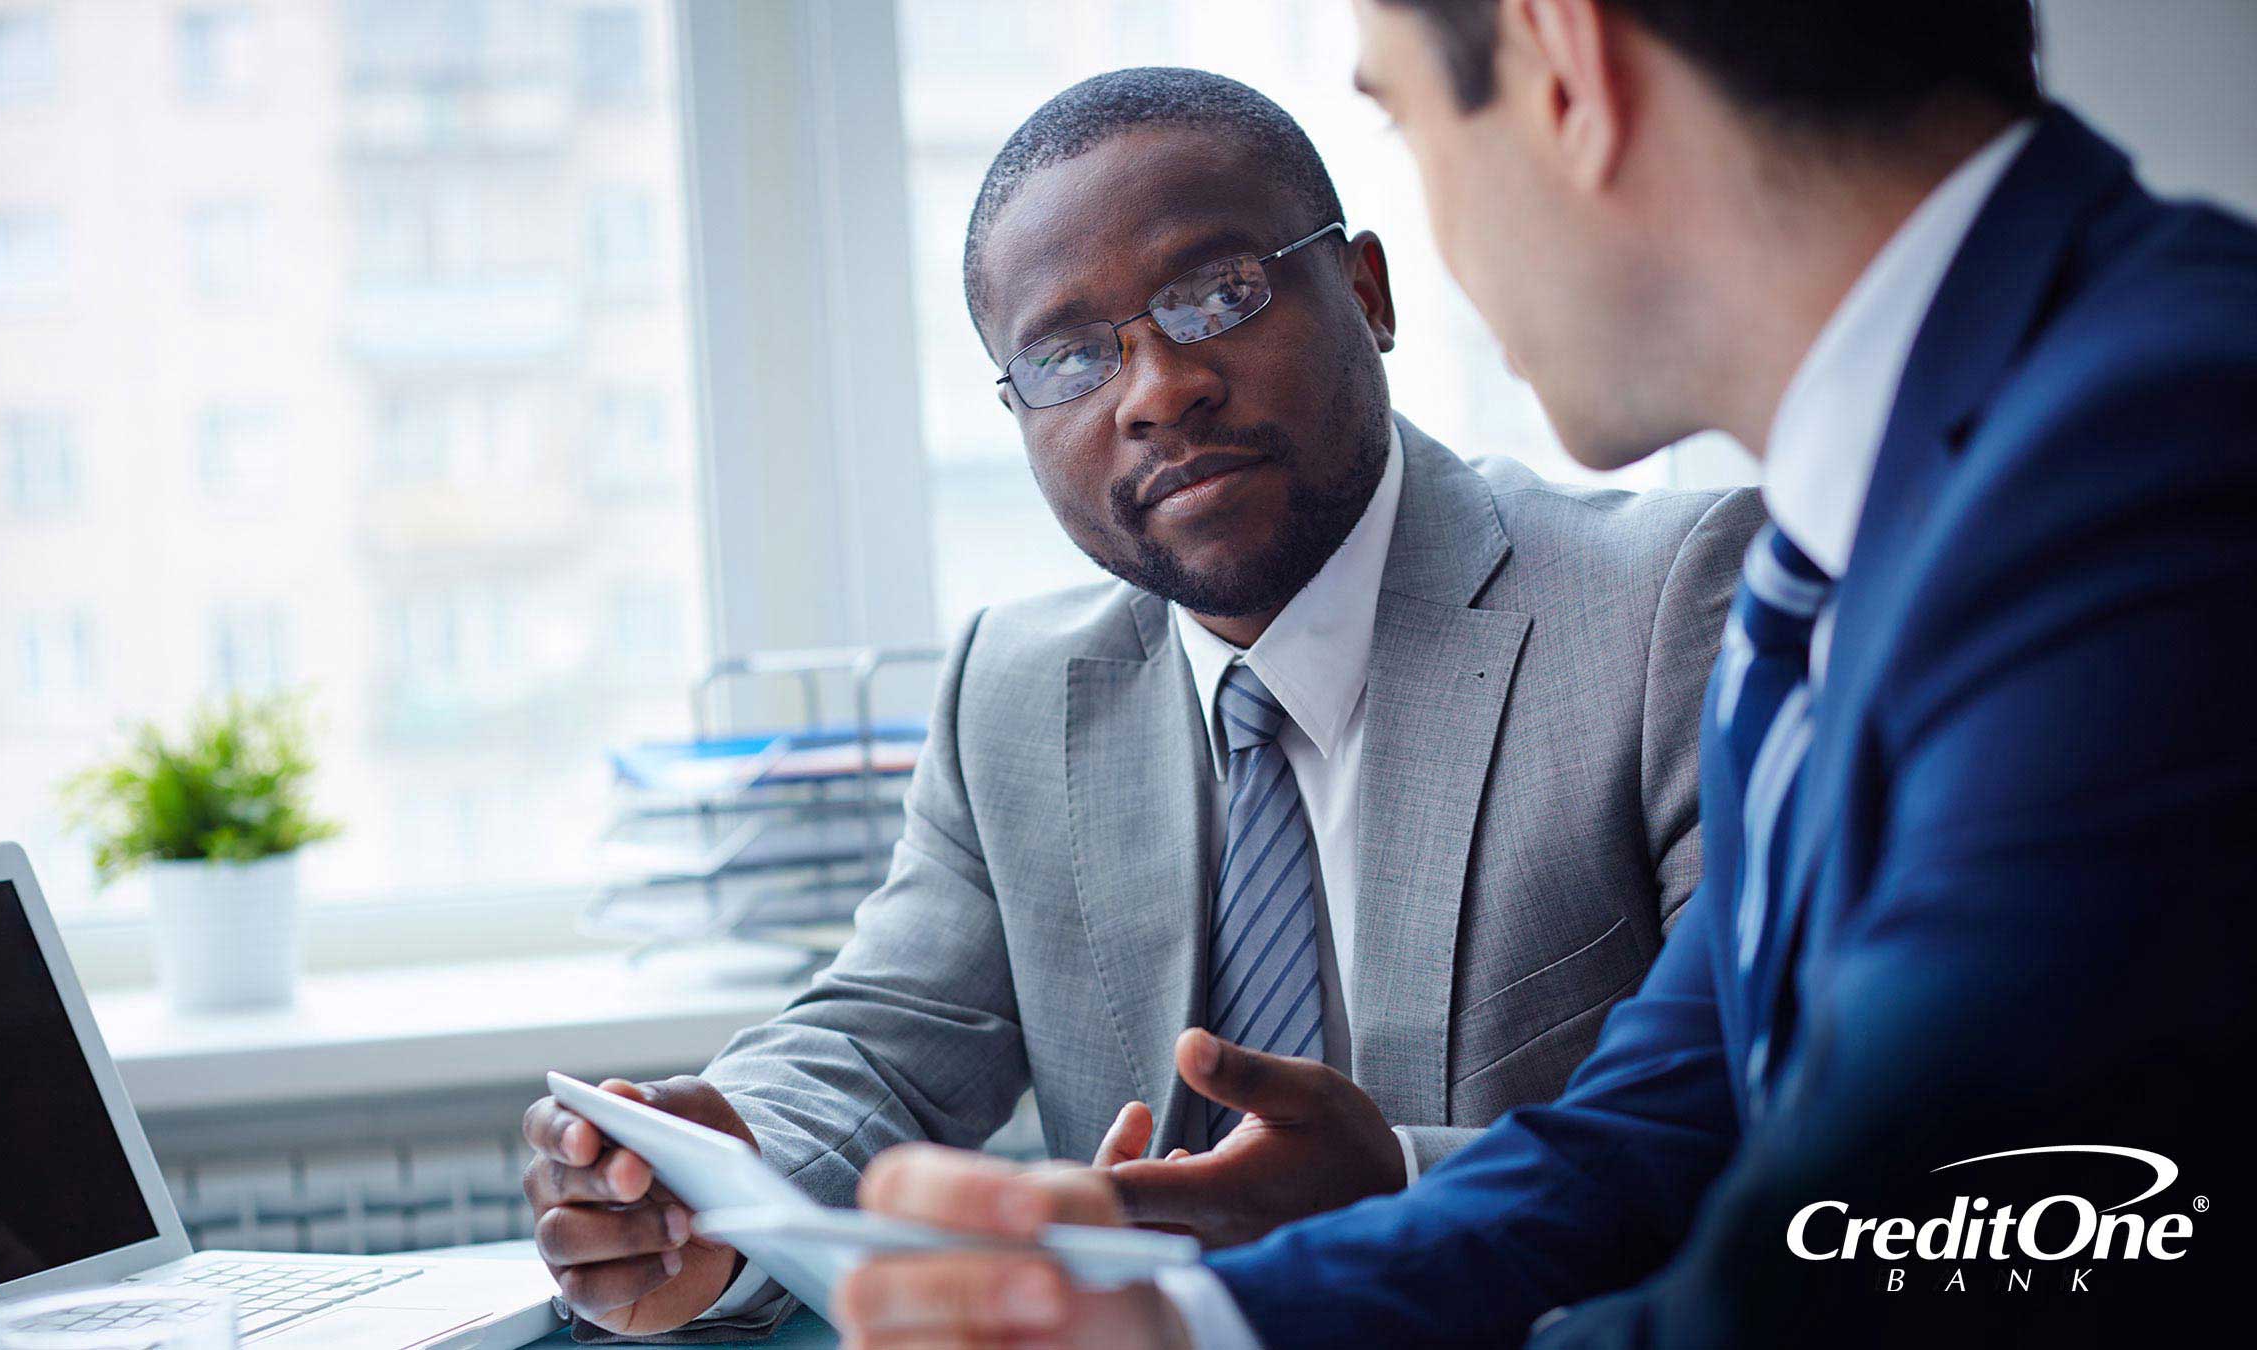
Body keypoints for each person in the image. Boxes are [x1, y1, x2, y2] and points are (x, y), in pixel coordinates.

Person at [837, 1, 2257, 1345]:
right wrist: (1195, 1322)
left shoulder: (2155, 456)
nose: (1158, 387)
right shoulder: (1847, 540)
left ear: (1564, 66)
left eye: (1403, 122)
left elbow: (1892, 1250)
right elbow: (1657, 1133)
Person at [521, 69, 1761, 1340]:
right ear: (1015, 415)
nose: (1158, 390)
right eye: (1066, 356)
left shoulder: (1666, 605)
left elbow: (1771, 1121)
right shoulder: (1012, 690)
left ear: (1368, 294)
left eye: (1218, 294)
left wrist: (1394, 1184)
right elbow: (883, 1037)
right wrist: (713, 1178)